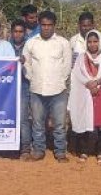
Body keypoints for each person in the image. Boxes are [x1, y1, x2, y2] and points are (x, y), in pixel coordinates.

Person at [22, 11, 72, 162]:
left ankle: (60, 151)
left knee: (59, 123)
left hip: (58, 90)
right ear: (39, 25)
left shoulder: (63, 43)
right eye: (43, 25)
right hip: (37, 89)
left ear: (54, 26)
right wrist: (33, 79)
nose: (46, 28)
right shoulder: (31, 43)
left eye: (49, 25)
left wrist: (60, 81)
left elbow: (67, 66)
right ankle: (38, 150)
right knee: (37, 123)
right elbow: (26, 64)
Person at [69, 30, 101, 165]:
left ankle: (100, 152)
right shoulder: (80, 58)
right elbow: (76, 74)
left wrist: (98, 83)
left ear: (100, 42)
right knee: (85, 121)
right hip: (85, 94)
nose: (92, 44)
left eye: (95, 41)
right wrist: (88, 83)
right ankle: (84, 151)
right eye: (89, 41)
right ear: (86, 43)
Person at [10, 20, 33, 160]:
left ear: (25, 33)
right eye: (15, 31)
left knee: (23, 117)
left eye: (20, 31)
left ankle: (25, 147)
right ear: (11, 32)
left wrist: (26, 63)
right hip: (7, 86)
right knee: (7, 115)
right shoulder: (6, 46)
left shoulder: (30, 46)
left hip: (24, 84)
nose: (18, 34)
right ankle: (9, 145)